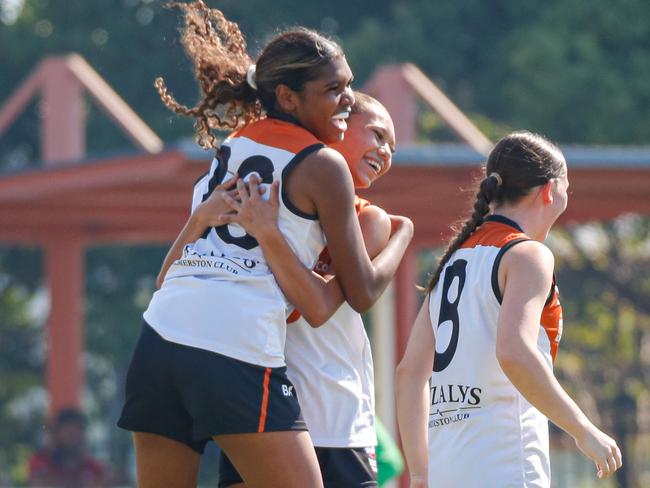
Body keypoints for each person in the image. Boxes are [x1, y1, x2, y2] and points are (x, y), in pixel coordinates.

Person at [117, 2, 413, 487]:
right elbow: (358, 294)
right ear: (287, 97)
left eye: (348, 87)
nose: (346, 100)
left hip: (159, 337)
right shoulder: (324, 164)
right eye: (333, 90)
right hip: (232, 344)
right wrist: (404, 233)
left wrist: (198, 223)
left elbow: (166, 278)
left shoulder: (231, 147)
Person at [395, 131, 622, 487]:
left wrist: (422, 473)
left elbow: (409, 374)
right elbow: (514, 353)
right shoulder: (527, 255)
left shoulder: (452, 261)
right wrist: (583, 430)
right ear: (549, 190)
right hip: (504, 466)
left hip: (446, 471)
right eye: (566, 187)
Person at [212, 92, 399, 488]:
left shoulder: (365, 217)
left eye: (392, 147)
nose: (386, 152)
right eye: (379, 135)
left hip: (323, 411)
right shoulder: (265, 198)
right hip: (279, 412)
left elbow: (315, 304)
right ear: (339, 124)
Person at [28, 408, 107, 488]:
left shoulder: (91, 466)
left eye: (76, 430)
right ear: (56, 433)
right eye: (67, 430)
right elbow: (39, 482)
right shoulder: (42, 460)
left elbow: (105, 480)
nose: (72, 436)